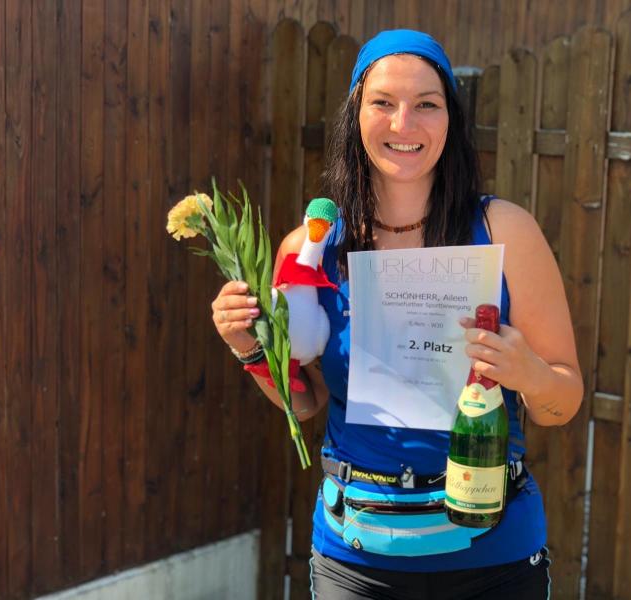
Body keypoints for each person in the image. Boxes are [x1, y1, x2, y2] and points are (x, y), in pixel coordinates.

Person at [211, 29, 582, 599]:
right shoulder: (311, 249)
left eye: (426, 105)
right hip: (355, 558)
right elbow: (306, 402)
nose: (403, 123)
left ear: (451, 120)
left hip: (494, 558)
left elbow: (562, 401)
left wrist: (528, 373)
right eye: (383, 102)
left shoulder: (504, 231)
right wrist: (250, 347)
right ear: (356, 115)